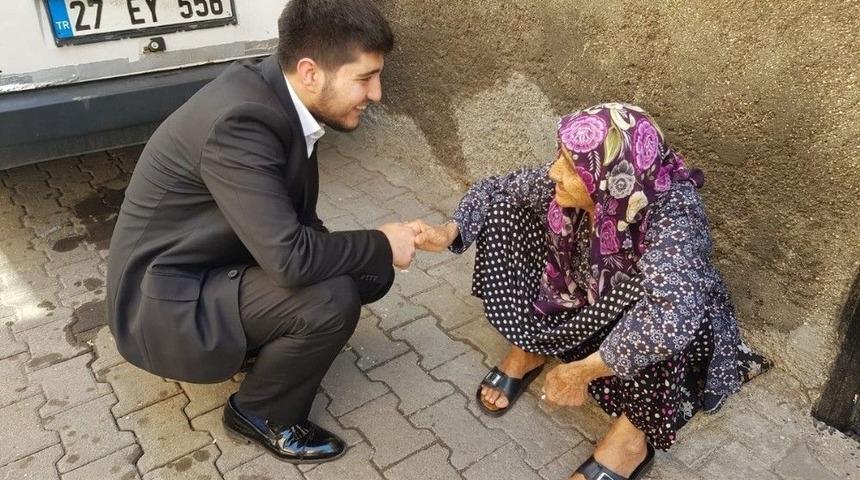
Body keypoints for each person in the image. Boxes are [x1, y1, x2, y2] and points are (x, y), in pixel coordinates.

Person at [106, 0, 417, 464]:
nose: (377, 93)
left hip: (211, 262)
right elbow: (291, 259)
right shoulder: (241, 121)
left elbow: (297, 223)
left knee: (372, 272)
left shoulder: (281, 96)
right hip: (159, 306)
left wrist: (374, 252)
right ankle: (260, 413)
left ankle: (266, 345)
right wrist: (380, 241)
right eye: (365, 77)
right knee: (331, 299)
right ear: (310, 71)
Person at [412, 103, 770, 480]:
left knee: (662, 306)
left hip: (646, 317)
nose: (554, 171)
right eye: (562, 158)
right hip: (589, 296)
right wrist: (448, 231)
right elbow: (495, 187)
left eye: (569, 165)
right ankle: (530, 347)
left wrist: (581, 372)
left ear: (614, 181)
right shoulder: (582, 181)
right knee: (503, 211)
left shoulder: (674, 216)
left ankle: (629, 441)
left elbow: (671, 316)